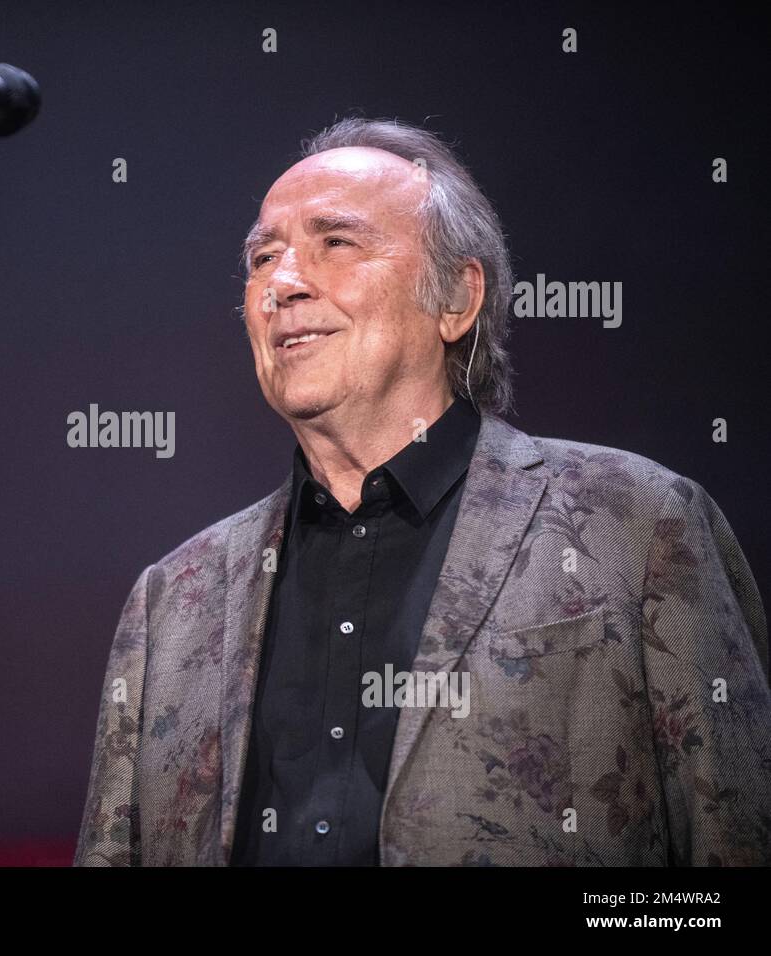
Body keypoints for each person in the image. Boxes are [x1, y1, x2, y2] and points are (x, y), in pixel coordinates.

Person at [72, 117, 770, 866]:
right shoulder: (173, 599)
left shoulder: (635, 525)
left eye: (335, 242)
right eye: (262, 257)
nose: (281, 283)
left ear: (456, 299)